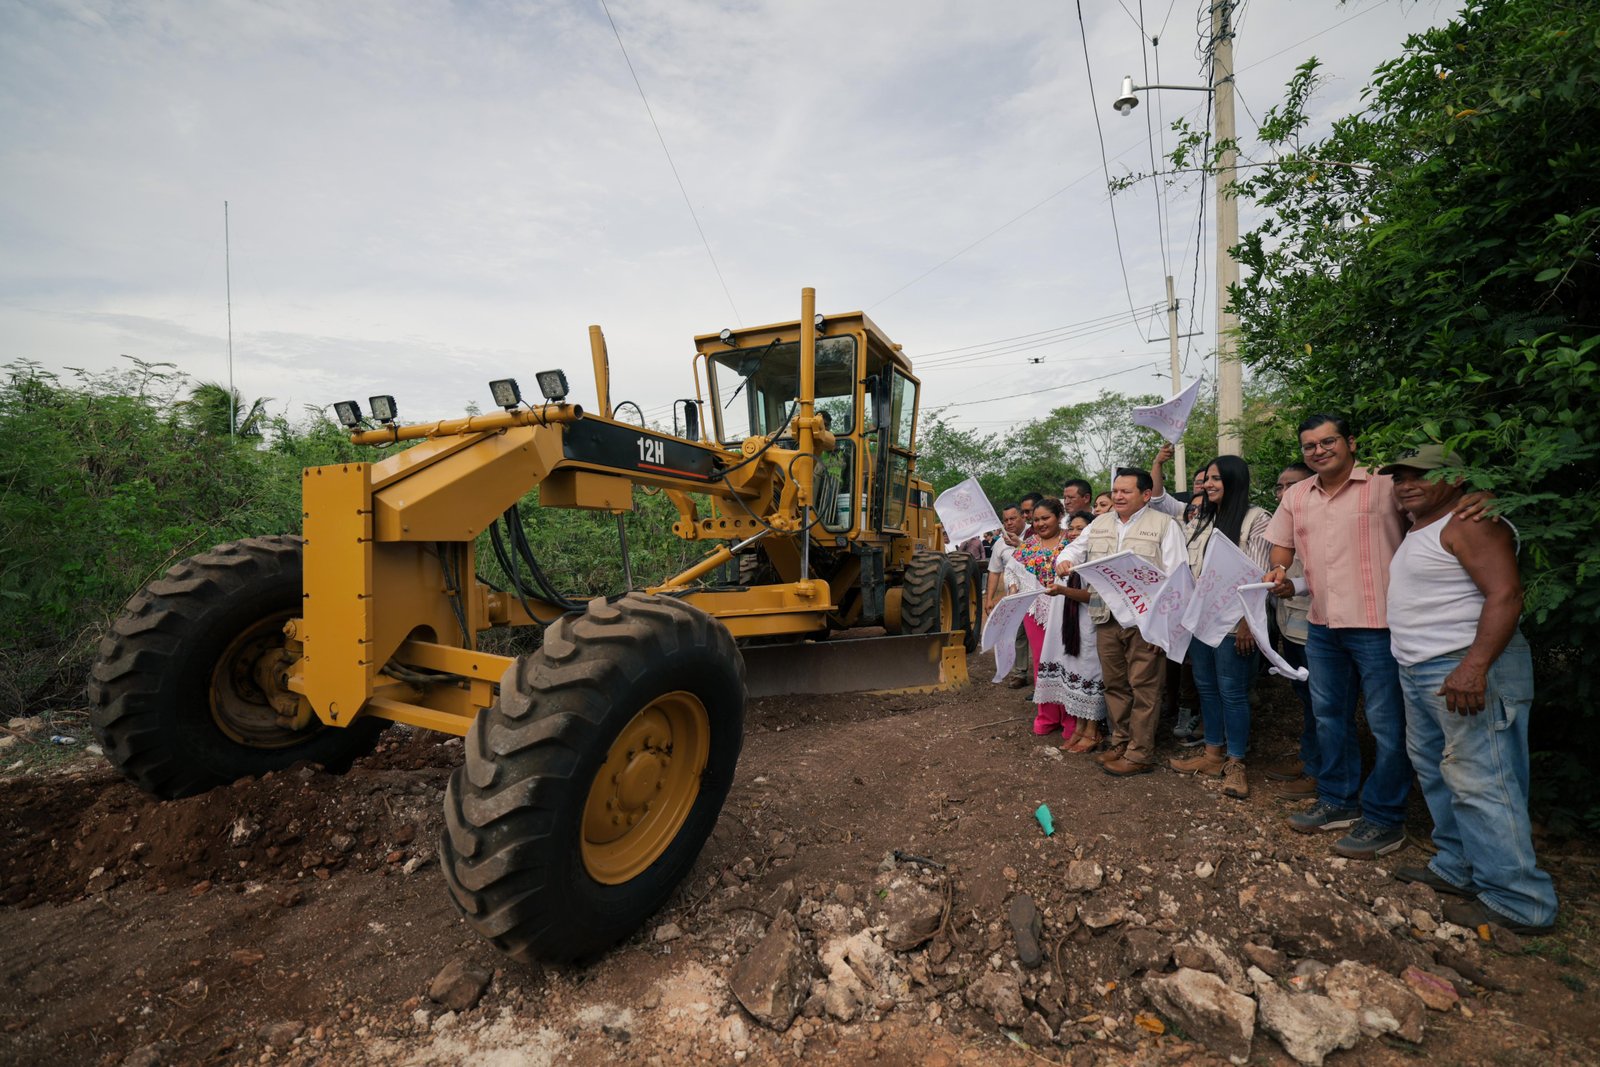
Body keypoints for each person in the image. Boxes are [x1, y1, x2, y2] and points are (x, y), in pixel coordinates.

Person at [1264, 414, 1491, 860]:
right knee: (1329, 716)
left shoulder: (1387, 484)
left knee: (1389, 726)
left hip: (1382, 625)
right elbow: (1282, 544)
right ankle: (1337, 800)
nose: (1318, 451)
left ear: (1350, 442)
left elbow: (1438, 508)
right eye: (1309, 446)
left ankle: (1385, 818)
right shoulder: (1296, 495)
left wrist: (1478, 496)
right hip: (1322, 624)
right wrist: (1278, 567)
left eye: (1328, 441)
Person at [1380, 445, 1556, 934]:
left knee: (1483, 779)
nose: (1407, 484)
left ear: (1456, 479)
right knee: (1440, 771)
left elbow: (1506, 594)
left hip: (1464, 667)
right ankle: (1458, 865)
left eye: (1420, 475)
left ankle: (1520, 900)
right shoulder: (1424, 524)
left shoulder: (1471, 521)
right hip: (1421, 669)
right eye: (1400, 478)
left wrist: (1474, 667)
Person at [1056, 468, 1187, 776]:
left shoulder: (1164, 525)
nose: (1118, 496)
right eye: (1115, 491)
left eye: (1126, 491)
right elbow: (1074, 549)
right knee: (1115, 685)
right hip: (1106, 617)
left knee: (1144, 687)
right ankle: (1121, 742)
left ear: (1146, 495)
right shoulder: (1099, 523)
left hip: (1145, 623)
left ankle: (1140, 753)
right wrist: (1065, 560)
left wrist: (1164, 629)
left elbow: (1178, 578)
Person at [1166, 456, 1273, 798]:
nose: (1208, 484)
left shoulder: (1256, 519)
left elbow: (1258, 577)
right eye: (1207, 478)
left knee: (1232, 691)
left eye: (1216, 479)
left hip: (1233, 623)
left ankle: (1236, 762)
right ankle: (1212, 754)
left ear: (1234, 481)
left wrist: (1247, 623)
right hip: (1201, 620)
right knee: (1206, 688)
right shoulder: (1203, 519)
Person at [1264, 462, 1320, 798]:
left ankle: (1319, 772)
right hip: (1291, 627)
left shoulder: (1321, 521)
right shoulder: (1283, 526)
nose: (1285, 492)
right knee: (1307, 699)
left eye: (1293, 485)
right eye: (1281, 486)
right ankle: (1310, 758)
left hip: (1318, 630)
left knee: (1322, 702)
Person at [1040, 510, 1107, 751]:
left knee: (1091, 674)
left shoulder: (1096, 561)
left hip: (1091, 626)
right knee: (1073, 672)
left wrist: (1062, 591)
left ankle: (1092, 730)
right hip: (1070, 629)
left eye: (1081, 529)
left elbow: (1094, 598)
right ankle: (1079, 727)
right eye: (1072, 528)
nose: (1076, 533)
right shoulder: (1066, 559)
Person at [1010, 499, 1073, 737]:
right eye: (1036, 520)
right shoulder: (1028, 545)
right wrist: (1013, 586)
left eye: (1046, 518)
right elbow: (1011, 570)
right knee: (1041, 662)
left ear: (1059, 516)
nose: (1040, 523)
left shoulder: (1072, 541)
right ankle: (1047, 716)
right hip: (1035, 610)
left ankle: (1070, 717)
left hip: (1067, 607)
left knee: (1067, 660)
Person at [986, 502, 1031, 688]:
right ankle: (1020, 673)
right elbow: (994, 572)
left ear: (1023, 517)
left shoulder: (1035, 535)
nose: (1009, 523)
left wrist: (1021, 545)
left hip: (1038, 594)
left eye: (1013, 518)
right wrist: (989, 599)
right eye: (1006, 520)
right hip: (1014, 597)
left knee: (1041, 635)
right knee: (1017, 634)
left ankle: (1046, 674)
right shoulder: (999, 543)